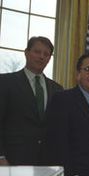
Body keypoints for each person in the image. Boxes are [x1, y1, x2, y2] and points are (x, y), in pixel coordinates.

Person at [0, 36, 63, 166]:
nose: (41, 57)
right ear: (26, 53)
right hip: (12, 159)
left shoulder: (57, 89)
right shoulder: (5, 82)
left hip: (47, 162)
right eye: (37, 52)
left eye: (46, 54)